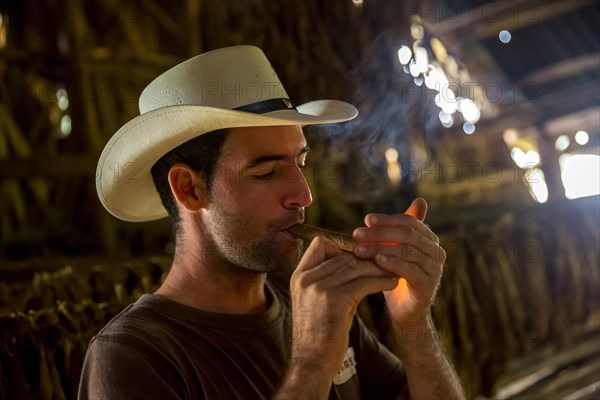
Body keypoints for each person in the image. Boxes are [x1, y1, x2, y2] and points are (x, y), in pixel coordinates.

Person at [80, 45, 465, 399]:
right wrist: (312, 363)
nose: (304, 193)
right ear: (190, 189)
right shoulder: (134, 356)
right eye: (266, 172)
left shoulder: (306, 298)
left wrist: (412, 324)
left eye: (300, 163)